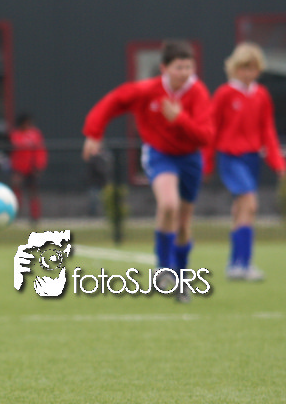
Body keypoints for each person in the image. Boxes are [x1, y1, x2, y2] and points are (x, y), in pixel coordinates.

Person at [82, 40, 212, 302]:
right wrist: (94, 133)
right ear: (164, 68)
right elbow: (113, 102)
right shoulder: (148, 90)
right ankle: (163, 270)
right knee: (168, 204)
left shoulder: (198, 92)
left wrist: (180, 119)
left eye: (189, 67)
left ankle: (181, 280)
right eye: (179, 67)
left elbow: (205, 136)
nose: (185, 73)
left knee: (183, 224)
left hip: (189, 159)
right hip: (160, 155)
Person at [205, 42, 286, 281]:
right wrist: (207, 163)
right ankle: (244, 263)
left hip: (252, 159)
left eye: (252, 68)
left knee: (241, 210)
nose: (248, 73)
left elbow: (267, 131)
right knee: (250, 204)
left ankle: (234, 264)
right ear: (234, 68)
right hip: (231, 158)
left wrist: (278, 162)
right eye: (244, 68)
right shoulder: (225, 94)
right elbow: (211, 129)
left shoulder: (261, 95)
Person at [9, 112, 47, 223]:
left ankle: (35, 218)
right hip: (18, 169)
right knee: (16, 192)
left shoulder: (35, 134)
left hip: (32, 169)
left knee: (33, 193)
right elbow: (11, 153)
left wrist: (39, 166)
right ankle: (14, 216)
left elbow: (40, 151)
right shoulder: (15, 135)